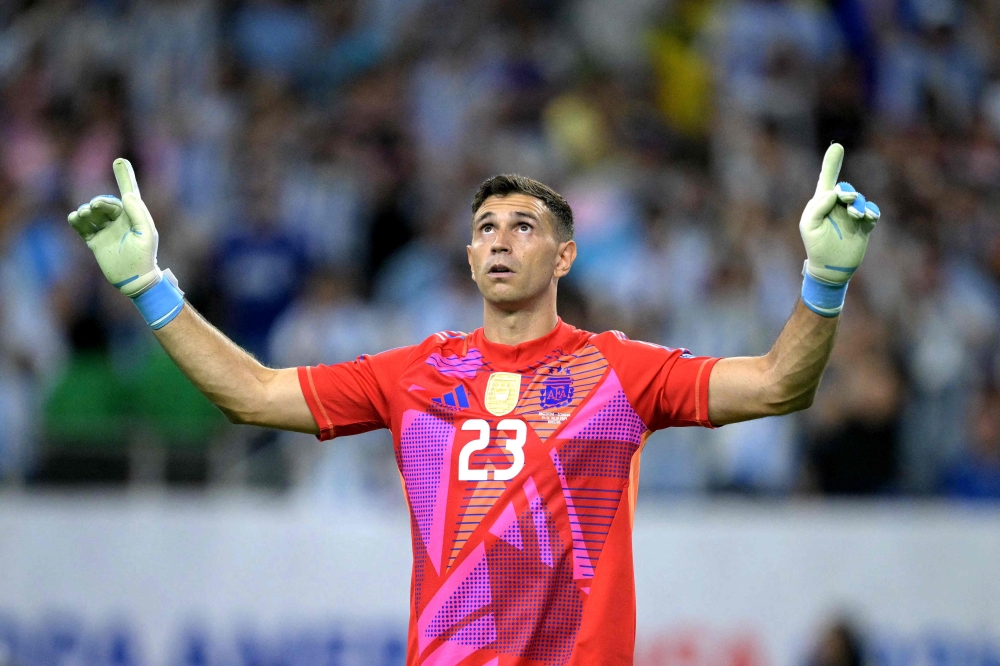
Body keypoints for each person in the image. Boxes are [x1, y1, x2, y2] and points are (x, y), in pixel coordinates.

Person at [67, 145, 879, 665]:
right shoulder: (415, 373)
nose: (498, 238)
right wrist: (149, 286)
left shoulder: (617, 372)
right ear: (465, 254)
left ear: (564, 255)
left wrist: (825, 281)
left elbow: (780, 384)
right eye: (485, 226)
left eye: (523, 226)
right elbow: (251, 394)